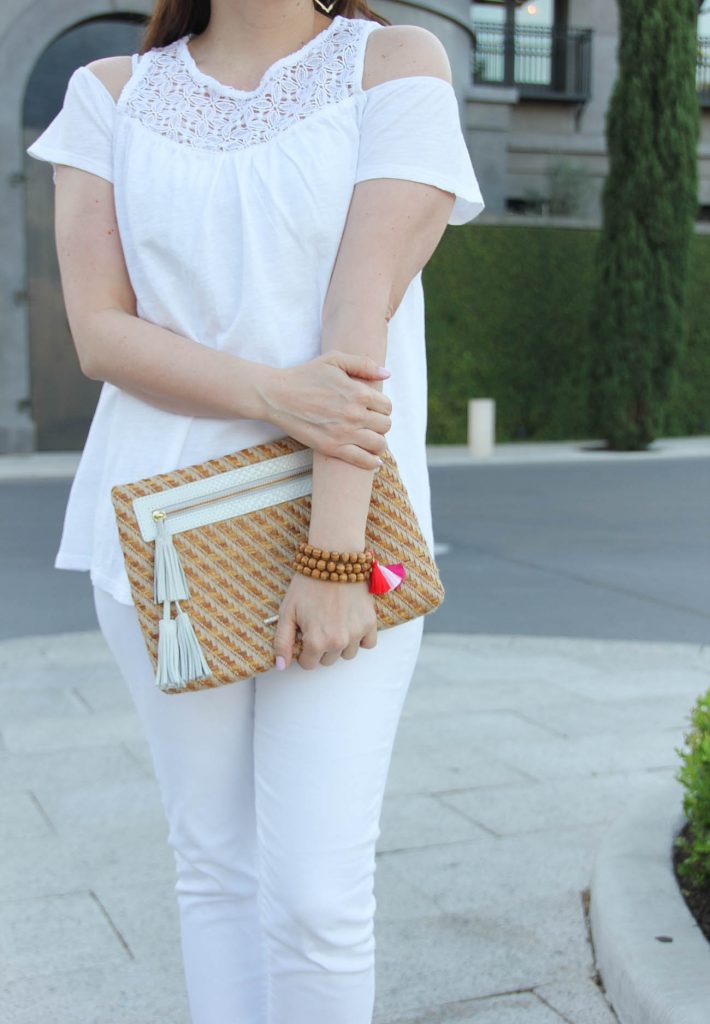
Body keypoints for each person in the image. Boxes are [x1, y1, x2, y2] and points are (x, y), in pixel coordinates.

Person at [26, 1, 484, 1021]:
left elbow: (354, 320)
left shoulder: (394, 63)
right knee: (212, 863)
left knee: (319, 896)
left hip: (348, 528)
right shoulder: (107, 94)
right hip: (160, 531)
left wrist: (331, 558)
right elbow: (100, 333)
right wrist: (274, 392)